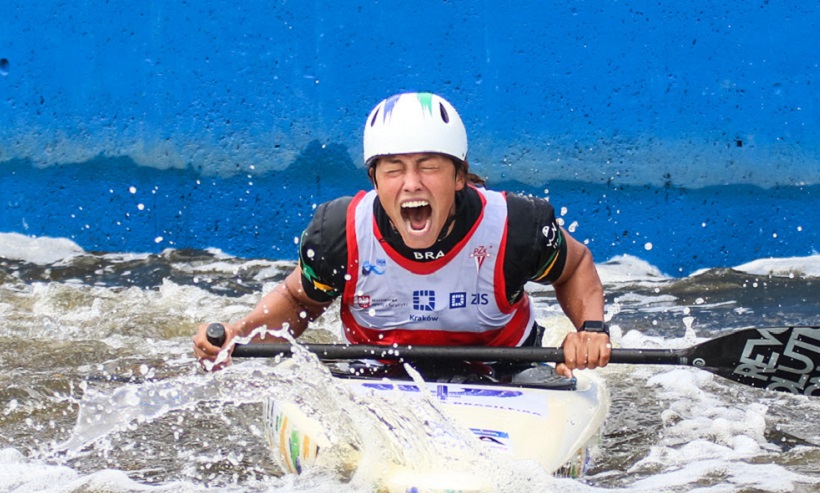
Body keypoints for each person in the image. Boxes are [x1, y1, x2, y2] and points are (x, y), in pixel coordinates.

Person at [193, 92, 610, 378]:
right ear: (374, 178)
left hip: (504, 368)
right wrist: (239, 334)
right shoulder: (339, 233)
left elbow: (574, 266)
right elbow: (299, 300)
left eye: (429, 166)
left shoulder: (515, 226)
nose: (411, 184)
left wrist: (591, 329)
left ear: (460, 176)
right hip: (378, 371)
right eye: (394, 169)